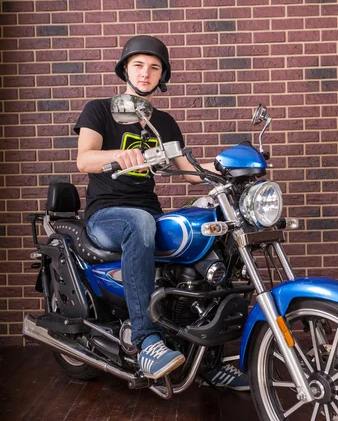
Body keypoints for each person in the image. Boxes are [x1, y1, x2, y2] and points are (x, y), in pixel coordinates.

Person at [74, 35, 248, 390]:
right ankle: (145, 341)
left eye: (154, 67)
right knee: (138, 222)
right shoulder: (100, 109)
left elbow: (188, 172)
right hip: (108, 213)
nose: (145, 73)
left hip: (148, 214)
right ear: (125, 68)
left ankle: (207, 359)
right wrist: (116, 156)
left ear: (162, 76)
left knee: (210, 223)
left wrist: (232, 174)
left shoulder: (163, 122)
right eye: (138, 65)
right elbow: (84, 159)